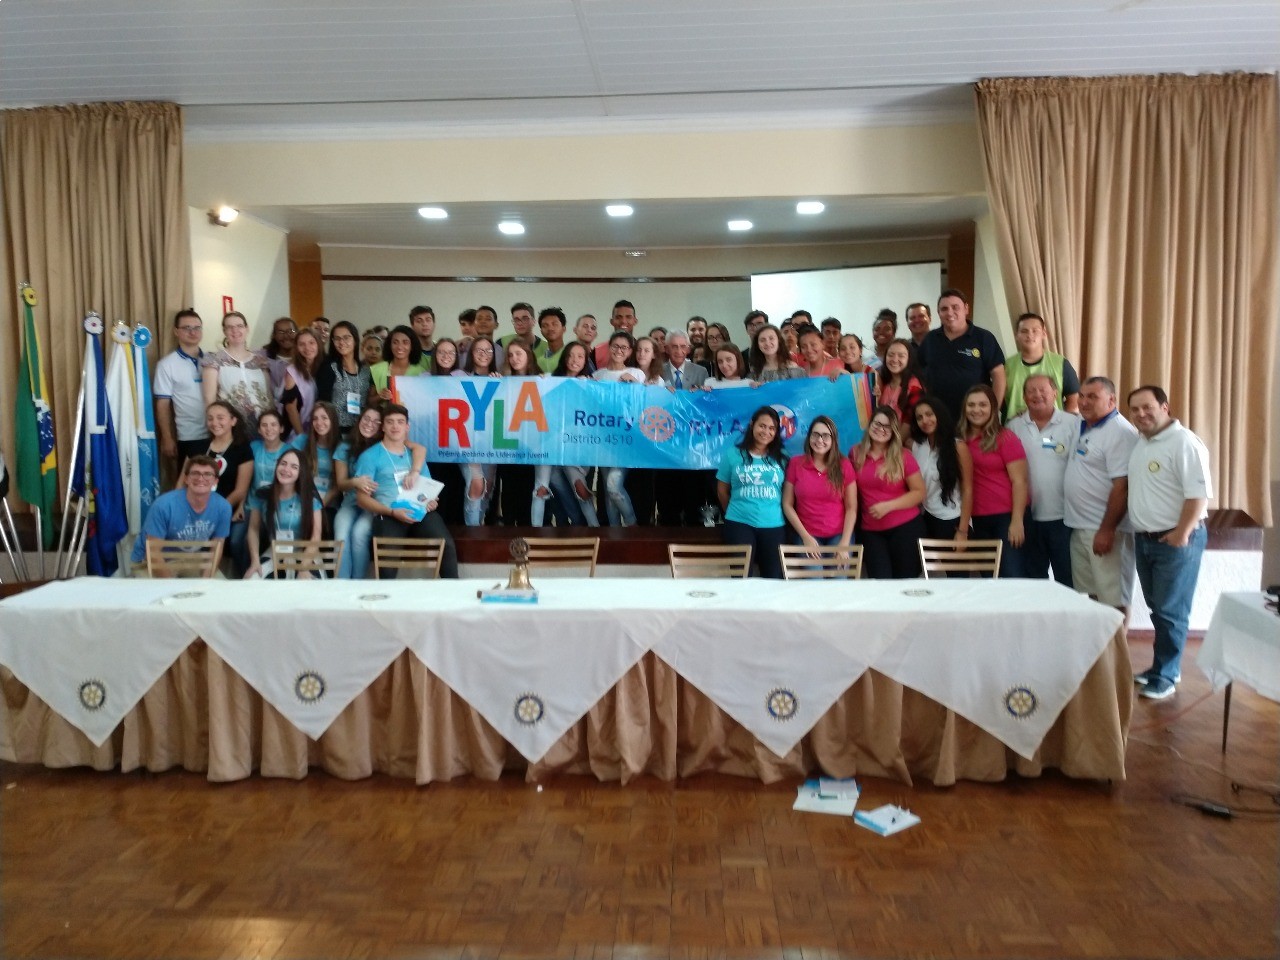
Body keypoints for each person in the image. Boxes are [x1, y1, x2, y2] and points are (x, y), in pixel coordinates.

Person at [1126, 385, 1212, 700]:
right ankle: (1159, 667)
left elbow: (1198, 495)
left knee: (1171, 611)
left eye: (1147, 407)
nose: (1141, 414)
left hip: (1175, 541)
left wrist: (1182, 533)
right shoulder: (1142, 443)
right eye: (1135, 409)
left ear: (1164, 407)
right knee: (1158, 608)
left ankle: (1167, 674)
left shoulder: (1184, 442)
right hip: (1146, 539)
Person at [355, 404, 458, 579]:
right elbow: (361, 499)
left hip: (419, 512)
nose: (395, 426)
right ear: (383, 427)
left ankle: (454, 592)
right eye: (390, 422)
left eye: (400, 422)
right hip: (389, 514)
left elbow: (429, 489)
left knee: (446, 544)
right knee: (387, 562)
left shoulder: (415, 455)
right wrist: (391, 512)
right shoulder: (370, 457)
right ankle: (387, 596)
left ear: (407, 427)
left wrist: (431, 501)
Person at [1063, 376, 1139, 613]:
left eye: (1092, 397)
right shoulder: (1083, 424)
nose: (1084, 402)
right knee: (1094, 594)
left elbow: (1122, 486)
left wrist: (1107, 530)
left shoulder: (1120, 432)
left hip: (1106, 530)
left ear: (1111, 400)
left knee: (1114, 599)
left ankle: (1118, 640)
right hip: (1081, 527)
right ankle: (1101, 639)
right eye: (1082, 396)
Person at [1008, 375, 1081, 586]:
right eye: (1031, 391)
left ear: (1055, 393)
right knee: (1034, 582)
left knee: (1068, 581)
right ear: (1024, 397)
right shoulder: (1013, 426)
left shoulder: (1073, 423)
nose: (1037, 395)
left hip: (1065, 518)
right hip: (1027, 518)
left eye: (1043, 390)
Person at [960, 384, 1028, 578]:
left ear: (992, 408)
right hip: (977, 519)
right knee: (989, 579)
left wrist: (1017, 521)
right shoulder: (960, 440)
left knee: (1011, 577)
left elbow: (1020, 481)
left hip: (1005, 517)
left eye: (983, 404)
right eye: (971, 405)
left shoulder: (1005, 437)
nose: (976, 410)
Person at [850, 406, 926, 579]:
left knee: (904, 583)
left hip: (905, 528)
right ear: (870, 424)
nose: (881, 429)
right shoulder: (855, 453)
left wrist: (889, 506)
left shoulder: (903, 456)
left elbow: (920, 492)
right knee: (880, 584)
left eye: (887, 426)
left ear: (894, 432)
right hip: (871, 531)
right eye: (877, 423)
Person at [181, 400, 253, 575]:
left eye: (220, 418)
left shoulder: (243, 449)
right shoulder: (197, 447)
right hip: (194, 508)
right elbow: (182, 481)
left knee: (232, 540)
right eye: (210, 418)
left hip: (227, 507)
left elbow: (240, 490)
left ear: (233, 421)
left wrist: (213, 511)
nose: (215, 422)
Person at [717, 406, 788, 580]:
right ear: (752, 425)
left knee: (773, 579)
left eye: (772, 428)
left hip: (774, 524)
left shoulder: (783, 457)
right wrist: (735, 511)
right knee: (740, 579)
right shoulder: (733, 455)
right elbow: (722, 490)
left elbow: (787, 493)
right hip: (739, 523)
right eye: (762, 426)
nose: (766, 432)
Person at [129, 456, 232, 574]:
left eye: (208, 474)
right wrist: (171, 584)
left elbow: (217, 548)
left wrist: (206, 580)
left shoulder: (223, 507)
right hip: (147, 560)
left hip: (190, 558)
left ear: (215, 481)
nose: (201, 478)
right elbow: (153, 554)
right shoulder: (164, 505)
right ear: (186, 479)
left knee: (216, 585)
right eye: (195, 473)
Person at [916, 289, 1007, 419]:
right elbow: (918, 375)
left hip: (975, 417)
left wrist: (993, 412)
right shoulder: (930, 339)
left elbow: (999, 376)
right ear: (939, 313)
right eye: (944, 309)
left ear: (966, 309)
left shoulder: (984, 337)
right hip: (937, 418)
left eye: (955, 307)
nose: (950, 313)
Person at [243, 449, 323, 579]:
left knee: (306, 585)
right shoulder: (263, 494)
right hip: (275, 551)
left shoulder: (310, 498)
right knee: (252, 580)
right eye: (283, 463)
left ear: (301, 472)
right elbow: (253, 529)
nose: (286, 469)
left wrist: (303, 568)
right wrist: (255, 561)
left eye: (294, 467)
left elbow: (315, 537)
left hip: (305, 554)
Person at [782, 416, 857, 555]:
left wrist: (845, 542)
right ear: (809, 437)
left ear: (833, 440)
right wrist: (805, 537)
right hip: (806, 534)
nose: (820, 440)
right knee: (813, 570)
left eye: (825, 436)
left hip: (839, 534)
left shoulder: (844, 465)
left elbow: (851, 508)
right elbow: (787, 504)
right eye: (815, 435)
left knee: (839, 569)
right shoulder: (795, 463)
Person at [545, 342, 600, 527]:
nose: (574, 360)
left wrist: (590, 388)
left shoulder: (591, 383)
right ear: (564, 358)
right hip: (553, 445)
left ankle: (593, 529)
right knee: (557, 485)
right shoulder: (550, 381)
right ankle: (577, 522)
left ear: (585, 361)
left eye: (580, 356)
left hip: (579, 447)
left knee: (580, 488)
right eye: (570, 355)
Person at [593, 332, 645, 526]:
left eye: (624, 347)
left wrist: (635, 384)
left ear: (630, 351)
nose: (619, 350)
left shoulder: (637, 373)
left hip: (625, 439)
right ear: (609, 347)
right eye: (615, 346)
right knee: (608, 493)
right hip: (602, 438)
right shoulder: (598, 375)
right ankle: (614, 534)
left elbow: (644, 402)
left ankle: (632, 526)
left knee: (614, 486)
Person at [153, 309, 210, 476]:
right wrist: (167, 437)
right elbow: (163, 404)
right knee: (192, 482)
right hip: (189, 436)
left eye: (197, 328)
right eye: (187, 328)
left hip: (218, 433)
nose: (193, 332)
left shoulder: (212, 360)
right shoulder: (166, 365)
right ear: (176, 331)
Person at [909, 395, 972, 541]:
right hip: (924, 517)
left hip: (951, 519)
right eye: (919, 417)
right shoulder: (917, 446)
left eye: (929, 414)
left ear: (939, 414)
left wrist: (963, 530)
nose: (925, 420)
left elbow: (967, 490)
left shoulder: (958, 446)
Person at [201, 311, 274, 437]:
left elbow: (268, 396)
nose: (235, 330)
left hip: (263, 428)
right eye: (230, 327)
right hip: (232, 428)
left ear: (247, 328)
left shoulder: (260, 361)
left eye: (240, 326)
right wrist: (215, 427)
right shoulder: (214, 360)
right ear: (224, 331)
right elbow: (210, 399)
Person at [1003, 312, 1081, 420]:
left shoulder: (1060, 363)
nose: (1030, 335)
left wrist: (1064, 423)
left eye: (1035, 331)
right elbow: (1000, 401)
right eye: (1024, 331)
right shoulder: (1006, 366)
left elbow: (1074, 399)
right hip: (1015, 427)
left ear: (1044, 333)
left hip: (1054, 427)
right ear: (1017, 335)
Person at [457, 336, 501, 525]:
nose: (484, 354)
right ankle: (472, 532)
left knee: (487, 488)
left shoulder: (500, 378)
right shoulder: (460, 377)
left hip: (490, 442)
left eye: (488, 350)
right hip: (466, 442)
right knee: (476, 483)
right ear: (471, 353)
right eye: (479, 350)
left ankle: (478, 524)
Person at [315, 320, 371, 432]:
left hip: (362, 429)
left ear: (355, 340)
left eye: (346, 337)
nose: (341, 342)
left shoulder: (365, 370)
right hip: (335, 430)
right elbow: (322, 402)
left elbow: (369, 400)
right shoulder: (329, 368)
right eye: (337, 338)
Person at [297, 401, 343, 529]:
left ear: (332, 420)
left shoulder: (341, 447)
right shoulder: (301, 441)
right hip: (303, 501)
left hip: (328, 503)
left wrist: (320, 505)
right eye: (315, 418)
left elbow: (338, 485)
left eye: (324, 418)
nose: (319, 422)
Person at [369, 325, 429, 404]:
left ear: (412, 346)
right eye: (395, 342)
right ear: (390, 345)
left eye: (405, 342)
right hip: (383, 411)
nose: (400, 347)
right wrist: (380, 396)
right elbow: (369, 401)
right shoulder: (376, 369)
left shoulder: (421, 373)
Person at [281, 327, 322, 439]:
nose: (307, 348)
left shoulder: (322, 368)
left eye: (311, 343)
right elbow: (291, 408)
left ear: (318, 344)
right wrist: (301, 436)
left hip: (316, 428)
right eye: (302, 344)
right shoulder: (293, 371)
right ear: (296, 348)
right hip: (295, 432)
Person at [877, 338, 924, 426]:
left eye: (901, 356)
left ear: (909, 359)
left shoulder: (914, 386)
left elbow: (910, 424)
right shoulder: (883, 383)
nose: (895, 359)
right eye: (891, 355)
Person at [248, 409, 289, 493]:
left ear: (281, 428)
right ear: (259, 430)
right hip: (253, 498)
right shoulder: (253, 447)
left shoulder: (290, 451)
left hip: (278, 498)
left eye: (273, 424)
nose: (269, 429)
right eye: (264, 425)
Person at [593, 300, 639, 369]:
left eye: (628, 317)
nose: (623, 321)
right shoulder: (597, 351)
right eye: (618, 317)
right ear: (612, 321)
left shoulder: (642, 350)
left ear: (635, 321)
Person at [535, 306, 568, 372]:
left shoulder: (572, 356)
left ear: (564, 329)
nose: (550, 328)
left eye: (555, 324)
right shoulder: (539, 362)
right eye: (545, 325)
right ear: (541, 331)